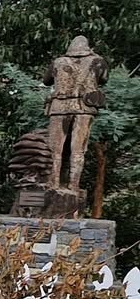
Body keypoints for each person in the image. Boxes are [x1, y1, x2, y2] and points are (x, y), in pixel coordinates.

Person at [44, 35, 109, 199]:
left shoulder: (58, 62)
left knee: (55, 149)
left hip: (58, 107)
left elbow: (46, 80)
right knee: (78, 150)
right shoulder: (98, 61)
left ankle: (53, 183)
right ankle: (73, 187)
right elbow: (104, 79)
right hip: (84, 108)